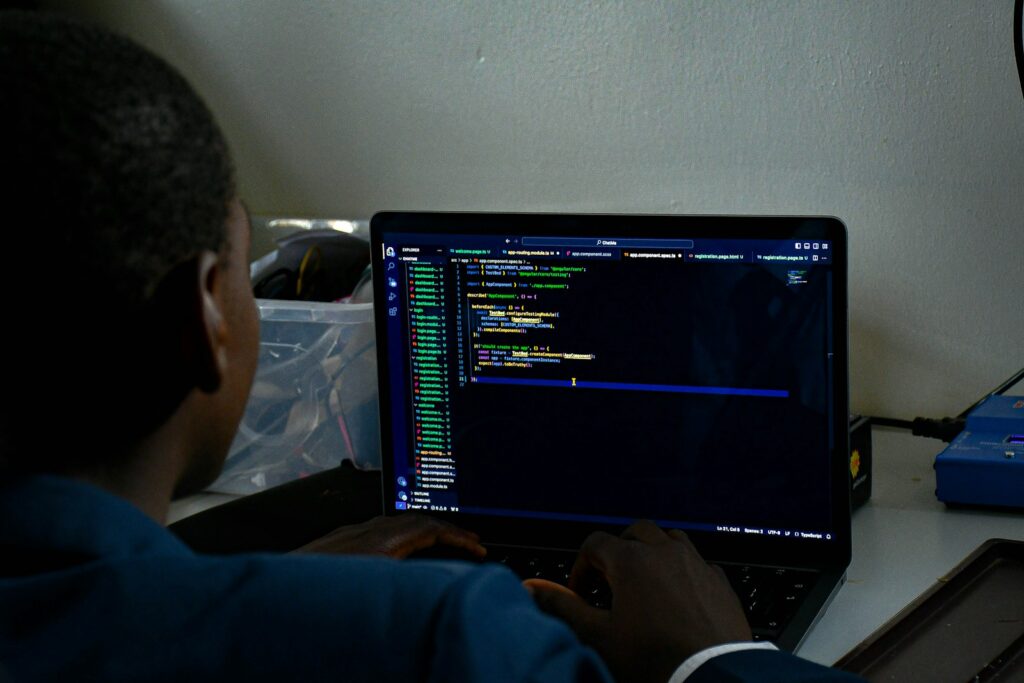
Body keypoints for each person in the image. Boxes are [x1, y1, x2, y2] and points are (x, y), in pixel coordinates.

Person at [0, 10, 862, 682]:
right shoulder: (446, 633)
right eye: (241, 252)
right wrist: (711, 658)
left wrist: (274, 582)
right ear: (204, 318)